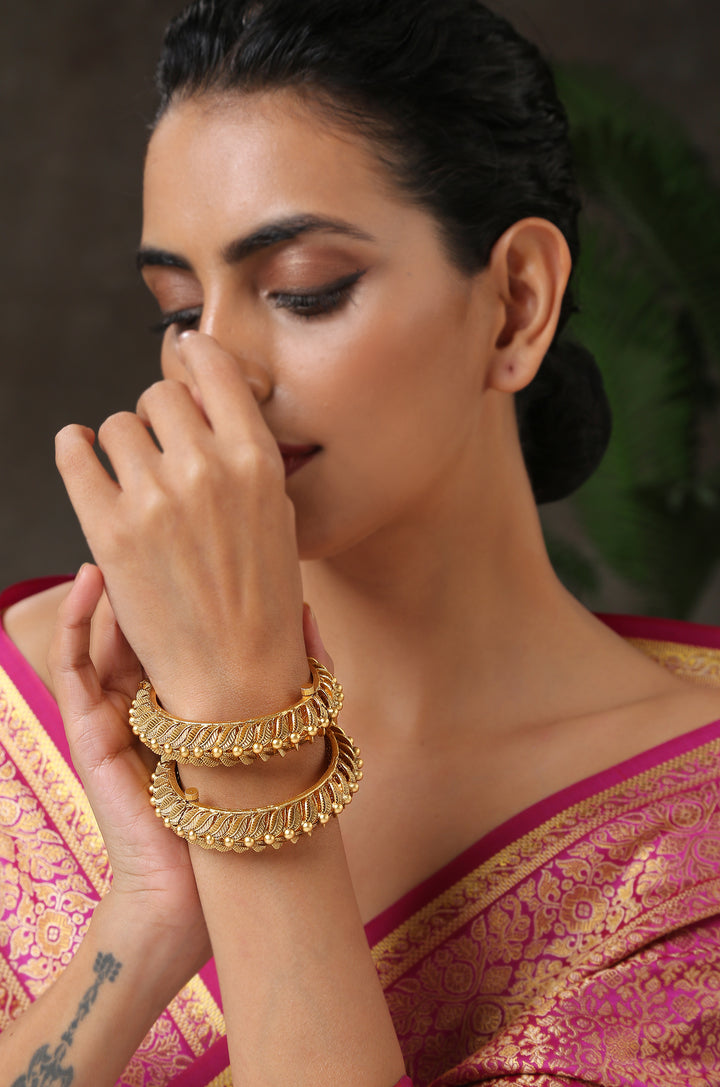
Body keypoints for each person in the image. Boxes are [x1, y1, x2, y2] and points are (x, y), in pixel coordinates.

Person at [1, 1, 720, 1084]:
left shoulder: (687, 837)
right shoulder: (38, 702)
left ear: (517, 304)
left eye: (306, 292)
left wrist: (247, 749)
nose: (214, 369)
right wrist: (143, 923)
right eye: (179, 311)